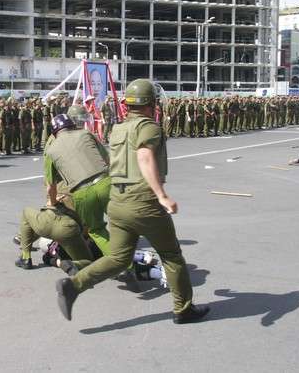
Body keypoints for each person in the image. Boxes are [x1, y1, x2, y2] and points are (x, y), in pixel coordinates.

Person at [55, 79, 209, 324]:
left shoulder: (118, 128)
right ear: (151, 103)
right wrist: (162, 195)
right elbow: (145, 156)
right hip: (144, 201)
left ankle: (74, 285)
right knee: (171, 256)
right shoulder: (149, 127)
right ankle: (183, 309)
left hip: (118, 201)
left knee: (118, 259)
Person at [44, 113, 111, 257]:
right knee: (121, 221)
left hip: (82, 192)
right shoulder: (86, 133)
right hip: (105, 182)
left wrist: (53, 202)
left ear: (54, 133)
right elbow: (107, 159)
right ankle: (127, 252)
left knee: (96, 230)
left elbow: (51, 186)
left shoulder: (50, 150)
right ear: (73, 126)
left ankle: (125, 265)